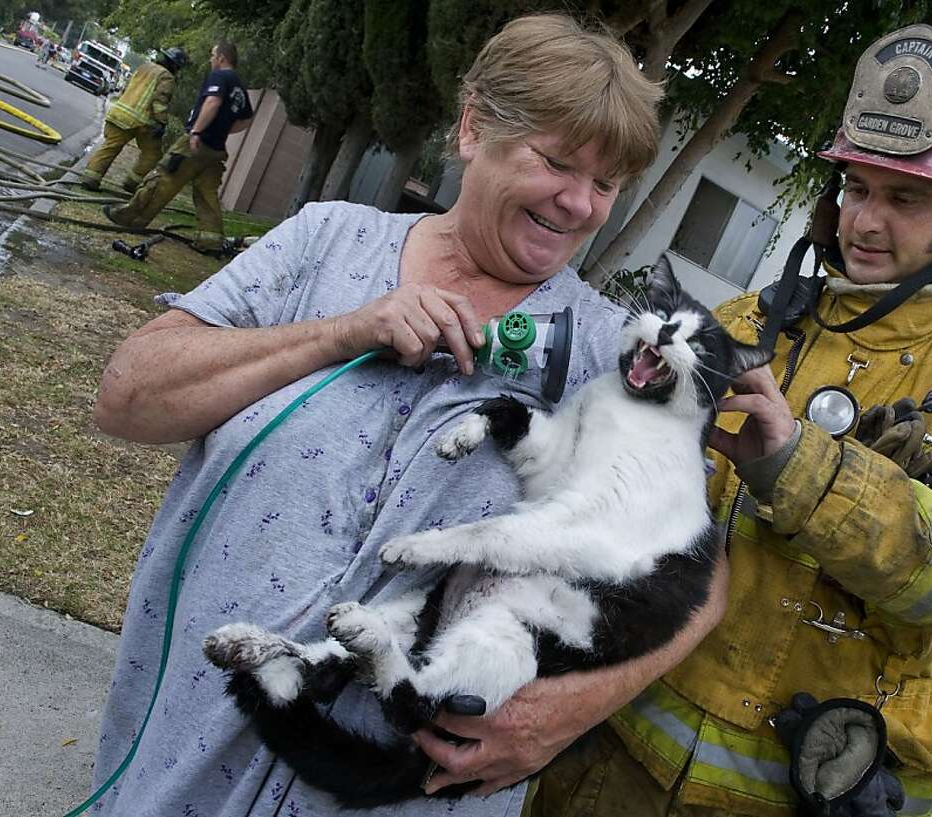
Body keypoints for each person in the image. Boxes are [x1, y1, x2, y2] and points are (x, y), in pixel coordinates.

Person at [88, 14, 723, 817]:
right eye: (558, 162)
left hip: (394, 786)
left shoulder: (614, 355)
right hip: (189, 745)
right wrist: (342, 331)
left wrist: (571, 709)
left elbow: (699, 578)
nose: (578, 203)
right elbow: (128, 396)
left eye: (606, 184)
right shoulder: (325, 244)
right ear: (473, 128)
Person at [531, 23, 932, 817]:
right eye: (856, 188)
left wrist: (808, 472)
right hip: (610, 769)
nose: (866, 222)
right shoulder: (744, 328)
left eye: (905, 198)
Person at [104, 42, 252, 253]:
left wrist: (197, 131)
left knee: (163, 178)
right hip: (216, 149)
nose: (210, 59)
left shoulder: (220, 76)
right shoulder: (239, 87)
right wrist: (222, 130)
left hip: (195, 143)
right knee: (207, 193)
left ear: (221, 58)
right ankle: (211, 241)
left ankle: (130, 218)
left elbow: (212, 102)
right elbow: (246, 120)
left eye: (213, 55)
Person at [80, 47, 188, 193]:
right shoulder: (166, 77)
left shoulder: (144, 67)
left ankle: (90, 179)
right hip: (142, 122)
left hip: (119, 113)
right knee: (152, 154)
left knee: (110, 147)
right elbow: (160, 101)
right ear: (175, 65)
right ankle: (132, 183)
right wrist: (161, 122)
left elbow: (127, 88)